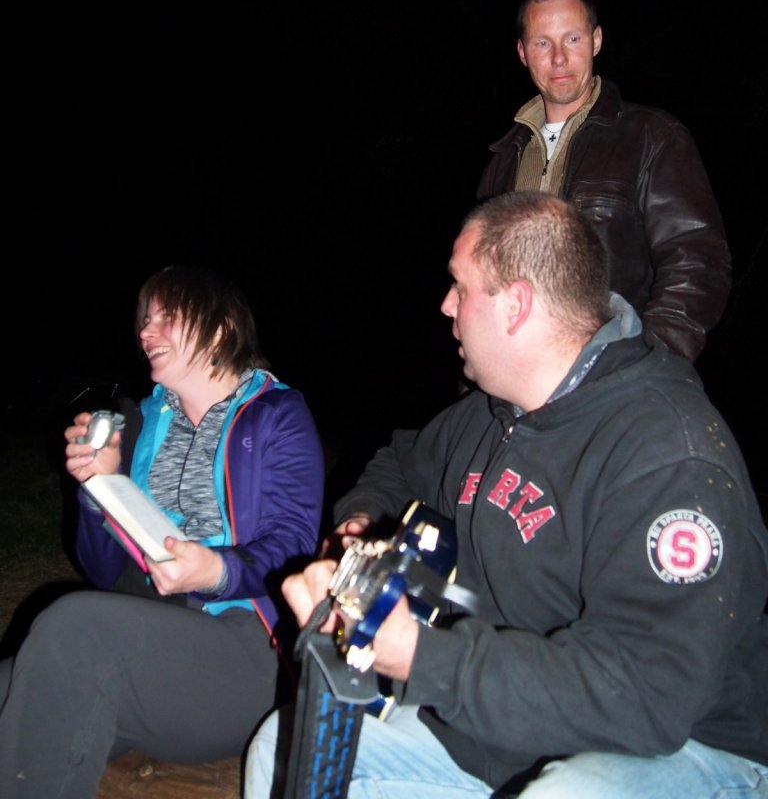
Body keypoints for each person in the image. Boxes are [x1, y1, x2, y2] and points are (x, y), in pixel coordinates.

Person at [245, 192, 767, 799]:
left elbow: (646, 693)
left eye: (460, 286)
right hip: (512, 732)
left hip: (690, 747)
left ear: (515, 306)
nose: (446, 305)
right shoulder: (494, 414)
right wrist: (360, 529)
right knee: (286, 745)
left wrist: (420, 657)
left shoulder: (669, 453)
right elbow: (401, 464)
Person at [0, 265, 326, 799]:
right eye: (144, 320)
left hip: (244, 652)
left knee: (74, 626)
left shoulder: (276, 415)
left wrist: (217, 570)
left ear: (220, 328)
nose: (145, 332)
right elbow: (104, 570)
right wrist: (98, 488)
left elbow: (292, 547)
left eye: (166, 317)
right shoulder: (140, 423)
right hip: (145, 639)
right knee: (15, 682)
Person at [476, 0, 731, 364]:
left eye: (572, 39)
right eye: (543, 42)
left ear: (596, 40)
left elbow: (697, 261)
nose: (558, 58)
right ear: (523, 53)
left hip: (610, 377)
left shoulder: (651, 136)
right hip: (517, 376)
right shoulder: (503, 160)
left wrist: (643, 365)